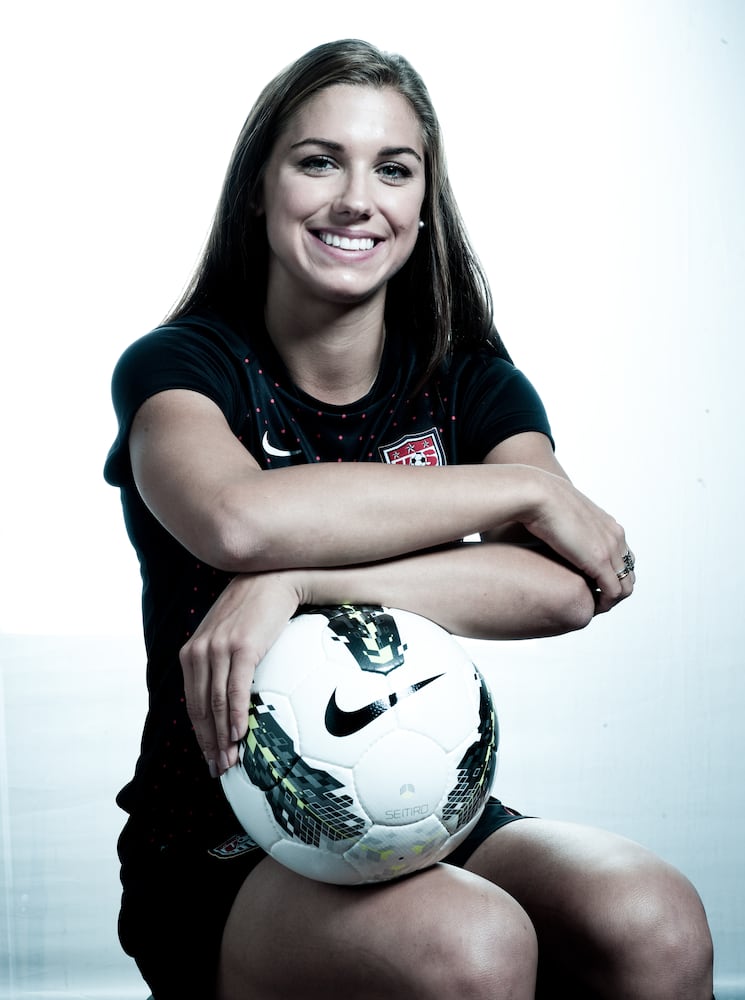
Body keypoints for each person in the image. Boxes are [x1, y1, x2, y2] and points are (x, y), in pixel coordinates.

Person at [104, 38, 713, 1000]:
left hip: (424, 806)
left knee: (654, 922)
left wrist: (305, 583)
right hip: (223, 840)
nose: (357, 199)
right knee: (469, 947)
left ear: (424, 206)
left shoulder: (467, 377)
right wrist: (526, 491)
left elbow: (565, 587)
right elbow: (237, 523)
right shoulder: (181, 367)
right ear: (258, 189)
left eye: (392, 169)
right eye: (319, 162)